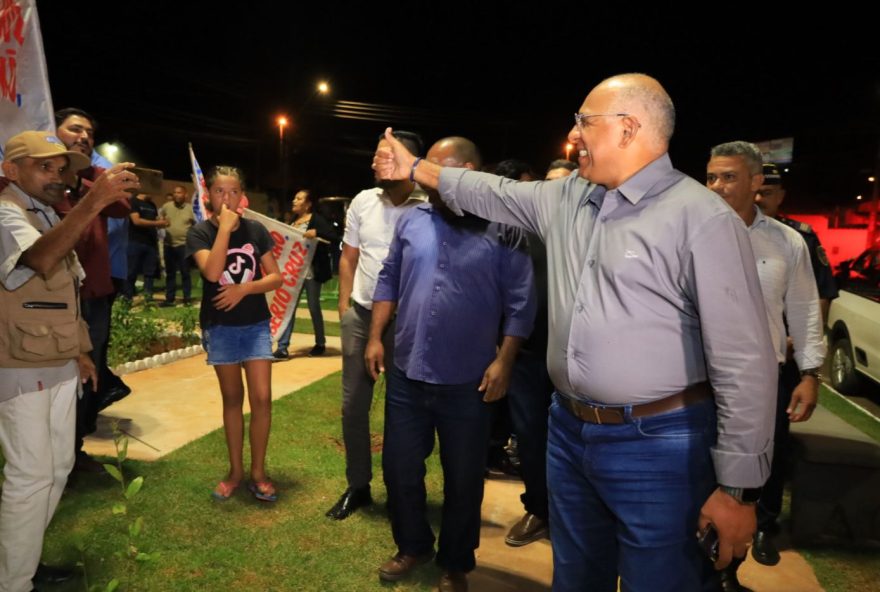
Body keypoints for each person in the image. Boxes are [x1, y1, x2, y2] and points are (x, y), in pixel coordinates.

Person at [373, 73, 778, 591]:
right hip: (568, 431)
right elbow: (487, 189)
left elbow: (746, 362)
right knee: (576, 576)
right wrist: (415, 168)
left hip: (659, 444)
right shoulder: (569, 200)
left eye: (585, 122)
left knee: (660, 580)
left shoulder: (700, 219)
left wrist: (739, 490)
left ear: (630, 128)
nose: (575, 135)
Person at [367, 137, 536, 592]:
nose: (424, 174)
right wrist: (375, 338)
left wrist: (504, 359)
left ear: (468, 173)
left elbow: (521, 303)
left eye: (434, 168)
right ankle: (413, 545)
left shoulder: (504, 228)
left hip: (468, 380)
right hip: (408, 372)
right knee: (400, 470)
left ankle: (456, 562)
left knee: (463, 479)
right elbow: (388, 278)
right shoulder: (411, 219)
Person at [0, 130, 135, 592]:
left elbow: (66, 290)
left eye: (61, 170)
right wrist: (92, 202)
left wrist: (79, 350)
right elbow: (39, 260)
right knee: (30, 475)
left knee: (56, 469)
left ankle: (23, 566)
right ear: (11, 170)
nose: (57, 177)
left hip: (56, 359)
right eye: (44, 167)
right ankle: (11, 582)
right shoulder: (6, 213)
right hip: (20, 364)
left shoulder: (45, 213)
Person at [707, 143, 826, 591]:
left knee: (749, 480)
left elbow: (803, 309)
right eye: (712, 177)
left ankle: (727, 572)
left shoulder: (786, 241)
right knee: (695, 478)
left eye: (729, 177)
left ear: (757, 182)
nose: (717, 186)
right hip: (698, 382)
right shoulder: (689, 233)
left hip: (763, 382)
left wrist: (811, 374)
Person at [325, 131, 427, 521]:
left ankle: (401, 490)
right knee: (353, 407)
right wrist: (345, 307)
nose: (372, 162)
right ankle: (359, 486)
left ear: (408, 159)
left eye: (383, 156)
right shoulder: (364, 202)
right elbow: (349, 257)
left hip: (408, 324)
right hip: (363, 315)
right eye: (373, 155)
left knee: (404, 411)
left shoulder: (428, 205)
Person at [185, 165, 283, 503]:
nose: (227, 198)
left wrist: (244, 289)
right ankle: (235, 472)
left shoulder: (256, 230)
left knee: (262, 397)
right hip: (221, 327)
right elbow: (212, 272)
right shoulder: (199, 233)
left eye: (234, 191)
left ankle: (257, 472)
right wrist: (224, 230)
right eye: (220, 191)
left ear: (243, 196)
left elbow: (275, 278)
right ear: (208, 194)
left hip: (255, 324)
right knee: (232, 399)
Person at [53, 107, 132, 472]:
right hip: (52, 297)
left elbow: (120, 206)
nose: (84, 136)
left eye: (89, 133)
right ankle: (53, 454)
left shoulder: (96, 176)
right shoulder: (42, 178)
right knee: (57, 376)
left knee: (90, 371)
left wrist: (89, 184)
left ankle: (75, 449)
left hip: (94, 294)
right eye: (75, 129)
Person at [273, 189, 338, 358]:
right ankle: (282, 347)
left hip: (311, 272)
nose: (294, 201)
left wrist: (317, 232)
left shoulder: (316, 220)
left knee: (313, 306)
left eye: (299, 198)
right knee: (288, 307)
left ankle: (320, 343)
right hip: (293, 272)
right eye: (294, 198)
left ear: (308, 204)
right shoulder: (294, 221)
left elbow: (334, 236)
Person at [125, 192, 168, 302]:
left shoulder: (152, 204)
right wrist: (157, 223)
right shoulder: (133, 202)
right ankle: (127, 297)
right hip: (135, 241)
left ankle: (148, 297)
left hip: (151, 243)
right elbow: (136, 221)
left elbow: (156, 219)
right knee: (131, 271)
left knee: (150, 272)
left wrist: (163, 221)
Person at [159, 185, 195, 306]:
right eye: (175, 192)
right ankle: (169, 299)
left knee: (185, 273)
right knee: (170, 273)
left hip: (183, 245)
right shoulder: (166, 206)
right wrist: (162, 222)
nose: (176, 195)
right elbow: (160, 218)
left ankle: (187, 299)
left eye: (179, 193)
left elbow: (196, 225)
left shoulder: (191, 209)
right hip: (168, 244)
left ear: (185, 195)